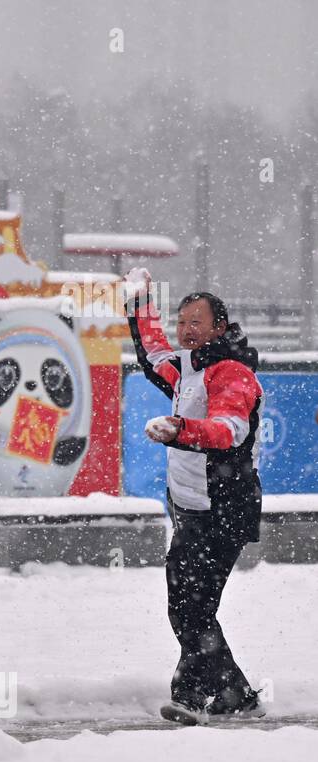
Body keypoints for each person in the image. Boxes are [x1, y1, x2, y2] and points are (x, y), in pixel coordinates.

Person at [125, 270, 265, 724]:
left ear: (219, 328)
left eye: (196, 323)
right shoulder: (188, 366)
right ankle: (235, 696)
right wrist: (141, 303)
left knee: (191, 609)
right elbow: (153, 352)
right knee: (191, 608)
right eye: (181, 321)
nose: (186, 330)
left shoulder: (232, 374)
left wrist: (180, 430)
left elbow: (229, 431)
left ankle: (190, 697)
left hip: (224, 510)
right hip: (191, 509)